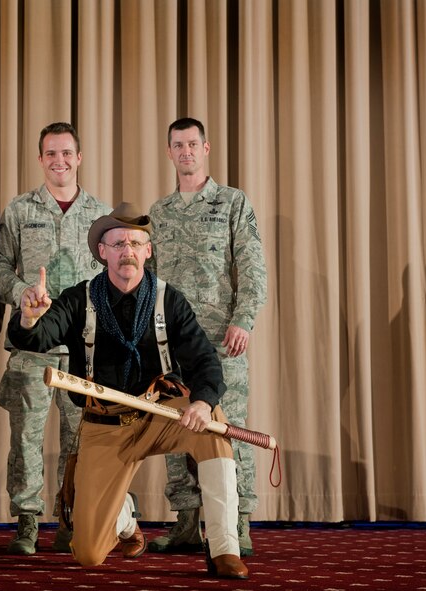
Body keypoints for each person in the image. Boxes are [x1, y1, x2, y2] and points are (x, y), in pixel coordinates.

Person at [8, 202, 250, 579]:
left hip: (161, 414)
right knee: (87, 554)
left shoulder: (168, 298)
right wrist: (28, 316)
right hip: (105, 425)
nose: (128, 252)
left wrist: (202, 403)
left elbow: (205, 361)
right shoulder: (77, 299)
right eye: (118, 243)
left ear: (148, 251)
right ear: (102, 251)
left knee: (215, 429)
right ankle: (125, 521)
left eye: (136, 244)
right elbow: (38, 337)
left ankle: (224, 549)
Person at [148, 117, 268, 557]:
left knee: (228, 428)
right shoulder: (159, 213)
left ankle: (239, 522)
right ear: (169, 152)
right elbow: (151, 279)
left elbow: (252, 267)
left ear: (206, 148)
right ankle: (185, 521)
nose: (186, 152)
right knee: (175, 429)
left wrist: (244, 319)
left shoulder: (233, 202)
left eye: (192, 144)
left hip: (221, 339)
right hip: (172, 343)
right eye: (177, 146)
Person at [0, 122, 112, 555]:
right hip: (32, 346)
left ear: (79, 158)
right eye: (50, 154)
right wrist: (21, 291)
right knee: (25, 437)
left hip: (85, 348)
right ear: (40, 159)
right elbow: (0, 267)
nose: (59, 161)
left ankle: (70, 520)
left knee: (80, 441)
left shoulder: (101, 216)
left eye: (67, 153)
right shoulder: (20, 210)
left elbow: (115, 279)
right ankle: (26, 522)